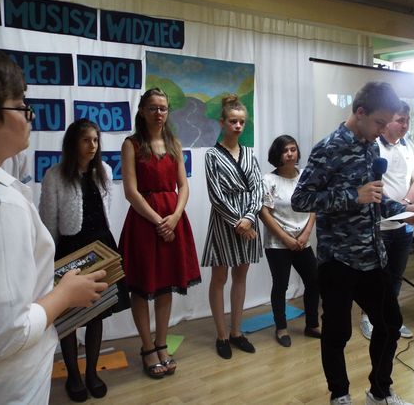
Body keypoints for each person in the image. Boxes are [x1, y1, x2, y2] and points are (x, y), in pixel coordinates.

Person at [0, 42, 107, 404]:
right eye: (20, 106)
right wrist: (64, 295)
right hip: (0, 390)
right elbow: (0, 337)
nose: (29, 115)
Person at [291, 82, 414, 405]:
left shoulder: (371, 147)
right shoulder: (329, 148)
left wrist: (402, 210)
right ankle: (339, 395)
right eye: (379, 122)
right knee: (337, 333)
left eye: (386, 123)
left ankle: (379, 392)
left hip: (373, 256)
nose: (382, 131)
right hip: (338, 260)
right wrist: (353, 195)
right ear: (360, 113)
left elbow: (374, 199)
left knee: (390, 325)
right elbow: (301, 199)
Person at [39, 118, 129, 401]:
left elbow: (106, 210)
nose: (93, 145)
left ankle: (91, 372)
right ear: (72, 143)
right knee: (69, 316)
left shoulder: (104, 171)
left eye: (96, 140)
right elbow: (48, 222)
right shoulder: (55, 176)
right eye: (86, 140)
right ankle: (74, 376)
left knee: (96, 312)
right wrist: (51, 260)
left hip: (101, 247)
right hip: (70, 250)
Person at [119, 88, 201, 379]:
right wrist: (159, 221)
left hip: (173, 221)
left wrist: (175, 217)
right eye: (153, 108)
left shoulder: (174, 143)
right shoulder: (131, 144)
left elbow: (184, 186)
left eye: (163, 108)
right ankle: (147, 347)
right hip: (145, 223)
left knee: (166, 285)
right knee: (142, 288)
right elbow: (131, 191)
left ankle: (162, 343)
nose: (158, 113)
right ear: (142, 111)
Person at [202, 94, 263, 359]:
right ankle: (221, 335)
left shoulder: (249, 153)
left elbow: (258, 189)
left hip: (249, 221)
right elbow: (216, 195)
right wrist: (239, 222)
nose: (238, 126)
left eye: (241, 122)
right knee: (219, 279)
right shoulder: (212, 155)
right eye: (233, 121)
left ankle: (236, 331)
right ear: (222, 122)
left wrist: (249, 218)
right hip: (224, 223)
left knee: (240, 277)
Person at [359, 102, 414, 340]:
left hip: (404, 224)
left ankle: (390, 317)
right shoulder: (373, 146)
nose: (405, 125)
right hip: (379, 225)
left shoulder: (411, 146)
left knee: (396, 275)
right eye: (400, 120)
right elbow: (372, 185)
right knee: (376, 275)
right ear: (387, 121)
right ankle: (368, 318)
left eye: (407, 120)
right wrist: (396, 207)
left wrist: (406, 203)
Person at [259, 135, 320, 347]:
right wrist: (285, 238)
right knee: (281, 285)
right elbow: (264, 213)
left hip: (302, 241)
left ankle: (312, 325)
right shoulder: (269, 180)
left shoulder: (305, 176)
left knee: (314, 281)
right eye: (285, 150)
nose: (290, 154)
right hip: (278, 244)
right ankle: (281, 328)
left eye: (293, 149)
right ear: (277, 154)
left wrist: (305, 234)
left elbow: (313, 206)